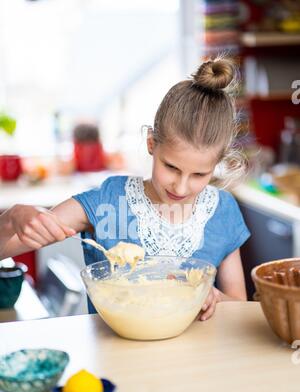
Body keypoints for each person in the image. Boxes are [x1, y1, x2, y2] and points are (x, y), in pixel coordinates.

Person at [0, 57, 250, 320]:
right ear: (152, 143)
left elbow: (240, 305)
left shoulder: (223, 211)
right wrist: (11, 220)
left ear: (216, 165)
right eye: (171, 167)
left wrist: (216, 298)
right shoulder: (108, 201)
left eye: (199, 174)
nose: (181, 185)